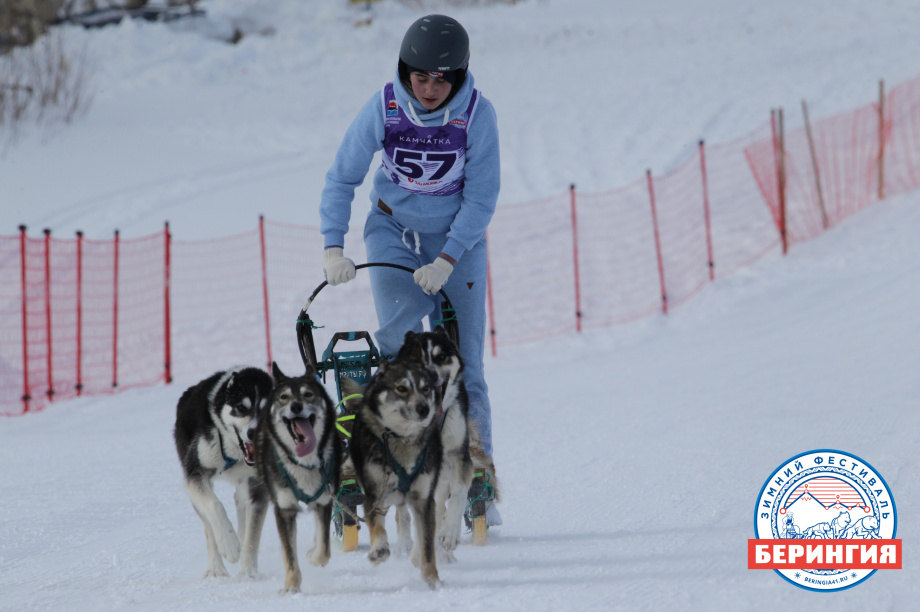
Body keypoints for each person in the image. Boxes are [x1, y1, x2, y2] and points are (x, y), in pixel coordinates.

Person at [318, 14, 501, 525]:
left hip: (457, 242)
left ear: (458, 77)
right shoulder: (386, 106)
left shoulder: (476, 116)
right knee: (399, 344)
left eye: (440, 79)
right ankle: (391, 468)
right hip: (393, 232)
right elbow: (342, 177)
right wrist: (333, 246)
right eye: (419, 76)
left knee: (465, 364)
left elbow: (483, 195)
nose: (428, 89)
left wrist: (447, 259)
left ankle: (476, 467)